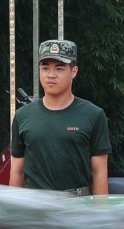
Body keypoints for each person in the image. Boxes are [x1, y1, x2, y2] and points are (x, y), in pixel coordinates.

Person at [10, 39, 111, 197]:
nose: (51, 75)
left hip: (77, 208)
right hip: (36, 209)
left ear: (74, 71)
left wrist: (101, 216)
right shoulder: (23, 116)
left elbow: (99, 172)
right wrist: (14, 216)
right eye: (45, 68)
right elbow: (17, 171)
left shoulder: (93, 115)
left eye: (59, 68)